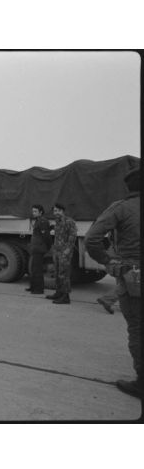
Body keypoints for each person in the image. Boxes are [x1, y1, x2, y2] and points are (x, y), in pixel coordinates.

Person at [85, 167, 141, 399]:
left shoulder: (123, 208)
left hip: (135, 275)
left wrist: (109, 262)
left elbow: (92, 238)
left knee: (138, 328)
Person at [46, 203, 77, 304]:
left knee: (64, 274)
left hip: (65, 252)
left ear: (62, 211)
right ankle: (58, 293)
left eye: (57, 211)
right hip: (57, 251)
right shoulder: (57, 222)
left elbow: (72, 237)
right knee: (57, 273)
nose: (55, 213)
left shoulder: (69, 221)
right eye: (54, 211)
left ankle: (65, 297)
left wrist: (67, 250)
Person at [26, 204, 52, 294]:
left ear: (41, 212)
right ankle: (33, 287)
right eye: (33, 211)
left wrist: (47, 246)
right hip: (35, 248)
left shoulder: (43, 221)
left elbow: (47, 236)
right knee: (33, 268)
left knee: (37, 269)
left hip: (39, 248)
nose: (33, 213)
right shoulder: (38, 220)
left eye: (35, 211)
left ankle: (39, 289)